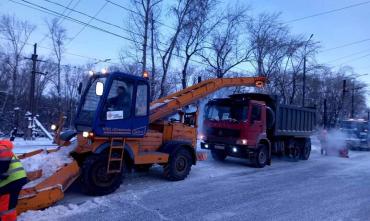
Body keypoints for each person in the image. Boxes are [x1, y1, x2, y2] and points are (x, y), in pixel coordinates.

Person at [0, 140, 27, 221]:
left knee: (6, 208)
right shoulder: (5, 148)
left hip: (11, 181)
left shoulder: (1, 149)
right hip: (16, 179)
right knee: (8, 205)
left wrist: (1, 173)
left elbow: (3, 163)